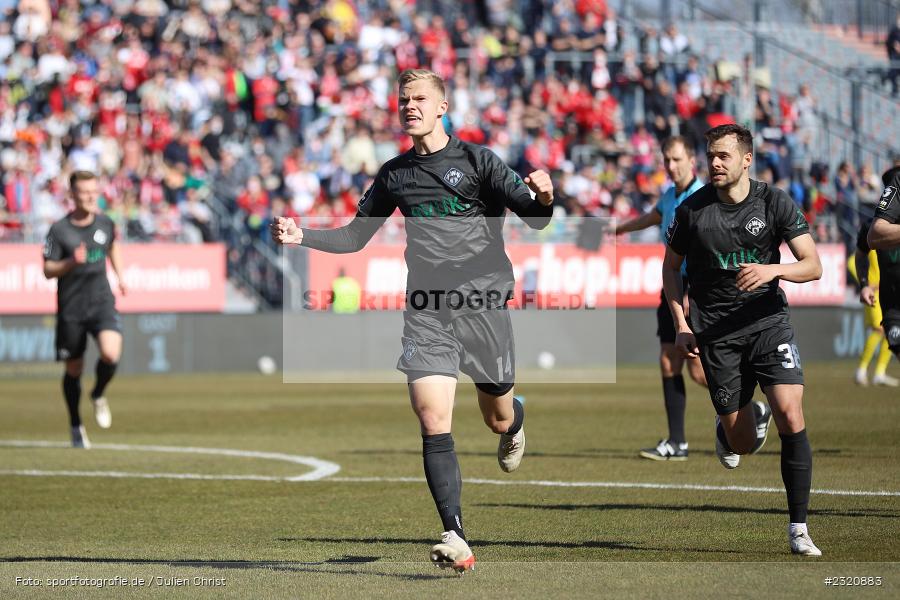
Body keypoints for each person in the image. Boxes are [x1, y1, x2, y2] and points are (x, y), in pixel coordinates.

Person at [271, 69, 554, 574]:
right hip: (427, 311)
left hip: (484, 307)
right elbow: (356, 237)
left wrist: (545, 196)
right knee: (432, 418)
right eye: (403, 100)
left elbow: (535, 218)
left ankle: (517, 421)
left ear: (443, 106)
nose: (410, 107)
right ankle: (456, 535)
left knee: (498, 417)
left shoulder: (478, 161)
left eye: (420, 99)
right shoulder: (394, 173)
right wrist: (302, 237)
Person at [663, 124, 824, 556]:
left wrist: (773, 270)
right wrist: (681, 322)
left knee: (790, 413)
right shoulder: (692, 211)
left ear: (746, 159)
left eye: (724, 156)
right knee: (743, 444)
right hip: (717, 335)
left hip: (768, 322)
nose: (715, 163)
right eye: (711, 155)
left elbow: (813, 265)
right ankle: (732, 425)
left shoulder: (774, 202)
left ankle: (799, 528)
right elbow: (669, 270)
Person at [614, 136, 707, 460]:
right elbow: (652, 217)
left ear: (692, 161)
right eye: (667, 160)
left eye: (677, 159)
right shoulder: (671, 196)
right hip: (672, 288)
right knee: (668, 359)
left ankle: (749, 408)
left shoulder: (703, 198)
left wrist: (693, 295)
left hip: (696, 290)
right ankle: (677, 442)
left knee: (697, 370)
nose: (671, 165)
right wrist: (621, 229)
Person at [43, 171, 126, 448]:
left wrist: (121, 276)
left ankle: (99, 394)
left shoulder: (105, 223)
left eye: (94, 191)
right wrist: (70, 263)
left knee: (110, 352)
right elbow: (47, 270)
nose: (91, 196)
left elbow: (112, 247)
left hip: (101, 300)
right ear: (72, 195)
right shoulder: (59, 230)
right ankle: (76, 424)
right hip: (72, 307)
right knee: (74, 369)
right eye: (84, 192)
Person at [850, 219, 898, 386]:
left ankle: (880, 372)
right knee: (879, 330)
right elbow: (852, 261)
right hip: (875, 292)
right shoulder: (874, 236)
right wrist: (866, 284)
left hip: (888, 291)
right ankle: (861, 370)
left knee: (891, 331)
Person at [866, 162, 900, 363]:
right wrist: (864, 284)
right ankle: (865, 371)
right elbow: (868, 243)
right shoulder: (871, 224)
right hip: (891, 302)